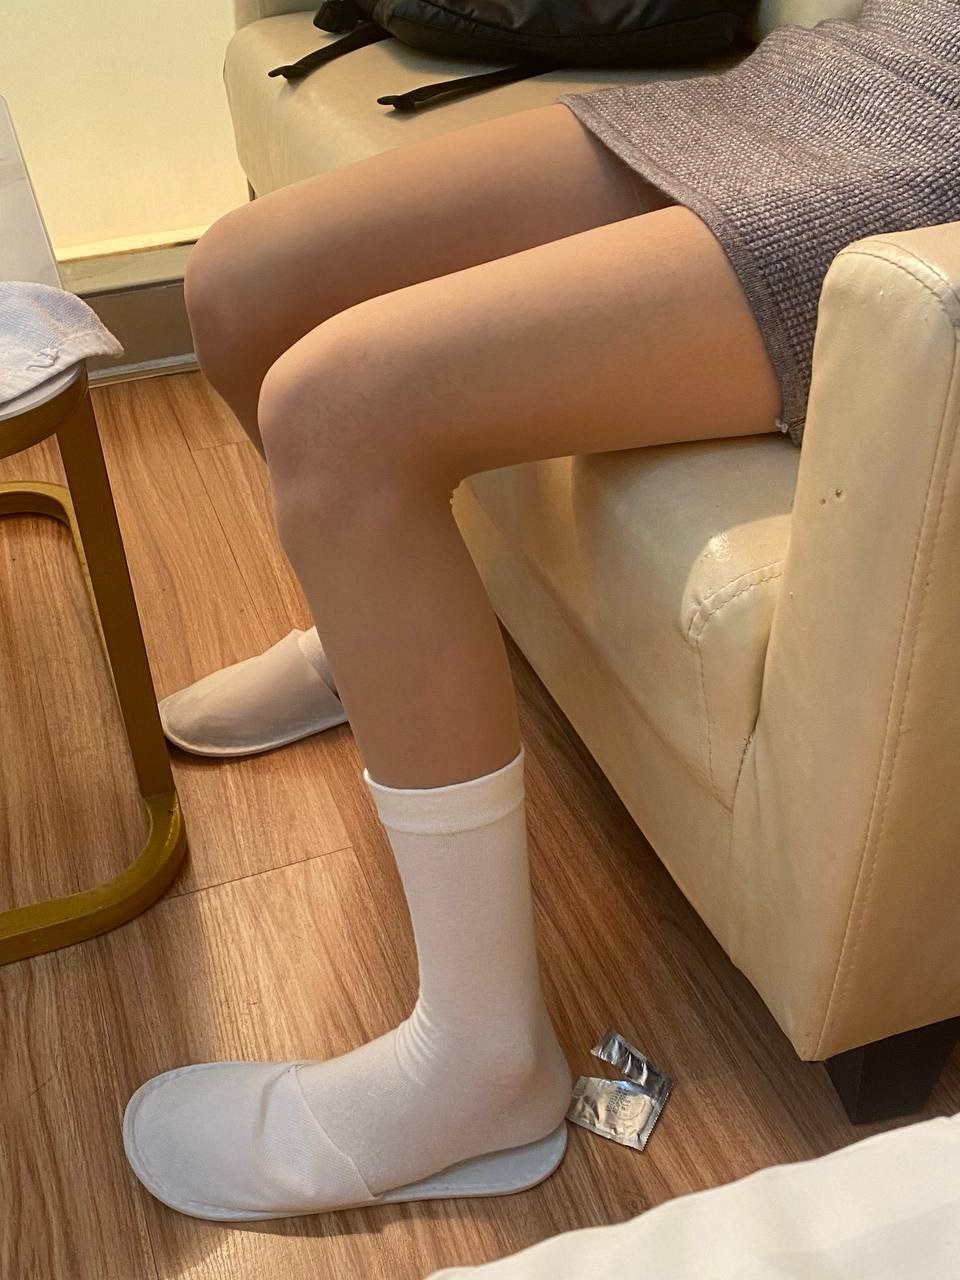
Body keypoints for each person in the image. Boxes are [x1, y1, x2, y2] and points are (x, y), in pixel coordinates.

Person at [122, 0, 960, 1221]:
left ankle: (482, 1062)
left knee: (339, 413)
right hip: (871, 60)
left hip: (928, 174)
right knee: (240, 282)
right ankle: (376, 654)